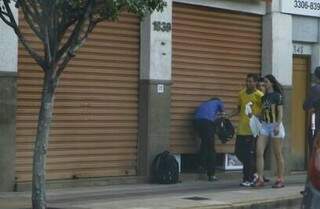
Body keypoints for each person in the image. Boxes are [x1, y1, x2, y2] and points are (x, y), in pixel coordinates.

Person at [231, 74, 264, 187]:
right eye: (247, 81)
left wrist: (258, 117)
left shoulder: (259, 95)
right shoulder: (242, 93)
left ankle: (248, 178)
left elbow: (265, 111)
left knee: (248, 155)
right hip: (242, 129)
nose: (248, 83)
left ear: (255, 83)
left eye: (250, 81)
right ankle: (256, 173)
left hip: (253, 130)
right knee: (238, 152)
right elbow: (239, 108)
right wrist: (228, 116)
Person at [254, 74, 285, 188]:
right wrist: (253, 115)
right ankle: (260, 178)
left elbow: (280, 112)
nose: (264, 84)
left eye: (266, 82)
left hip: (275, 125)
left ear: (271, 83)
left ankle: (280, 179)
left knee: (277, 153)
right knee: (259, 151)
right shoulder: (264, 97)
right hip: (265, 125)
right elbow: (263, 114)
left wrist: (277, 125)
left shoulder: (277, 96)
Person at [194, 97, 225, 181]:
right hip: (207, 123)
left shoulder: (205, 103)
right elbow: (223, 114)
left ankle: (201, 165)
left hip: (197, 121)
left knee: (204, 144)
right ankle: (212, 174)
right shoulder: (218, 102)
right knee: (211, 148)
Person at [303, 67, 320, 153]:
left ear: (316, 77)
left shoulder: (315, 89)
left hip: (315, 122)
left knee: (314, 150)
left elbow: (305, 106)